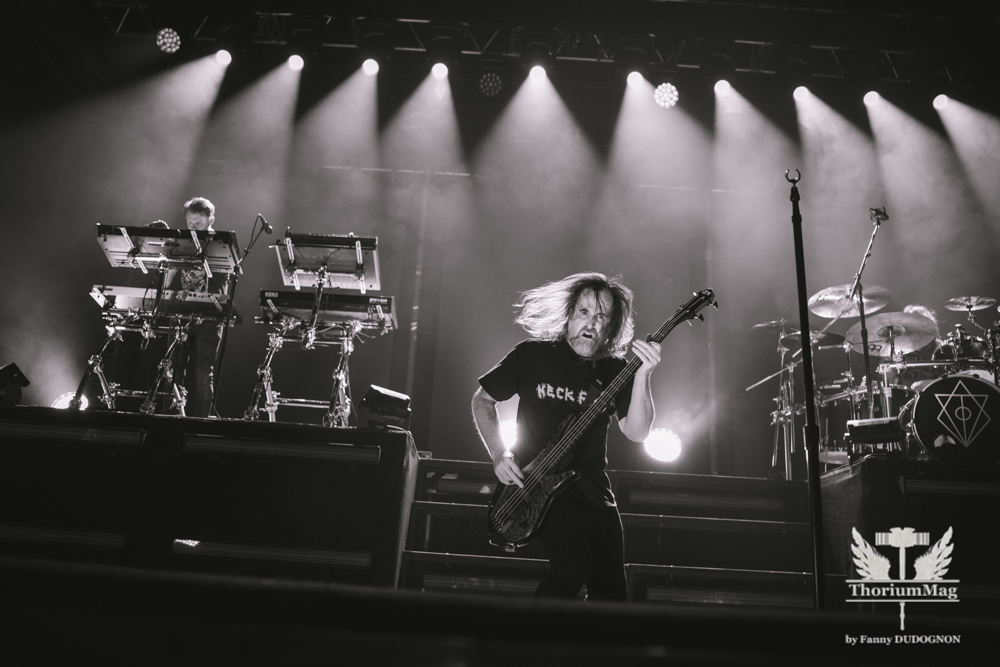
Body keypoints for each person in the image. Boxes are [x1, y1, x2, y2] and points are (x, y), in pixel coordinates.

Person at [471, 272, 661, 601]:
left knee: (612, 591)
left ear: (612, 325)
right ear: (569, 314)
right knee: (573, 564)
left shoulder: (614, 370)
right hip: (538, 483)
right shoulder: (532, 354)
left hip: (592, 489)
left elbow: (638, 432)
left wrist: (643, 374)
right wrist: (499, 453)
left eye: (602, 316)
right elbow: (482, 400)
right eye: (584, 312)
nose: (591, 323)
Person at [161, 197, 227, 418]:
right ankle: (172, 418)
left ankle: (200, 424)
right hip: (181, 314)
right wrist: (169, 261)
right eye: (190, 223)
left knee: (202, 374)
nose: (193, 228)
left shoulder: (221, 244)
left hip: (209, 318)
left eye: (198, 224)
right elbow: (167, 283)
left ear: (210, 220)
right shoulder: (181, 242)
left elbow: (225, 282)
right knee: (172, 371)